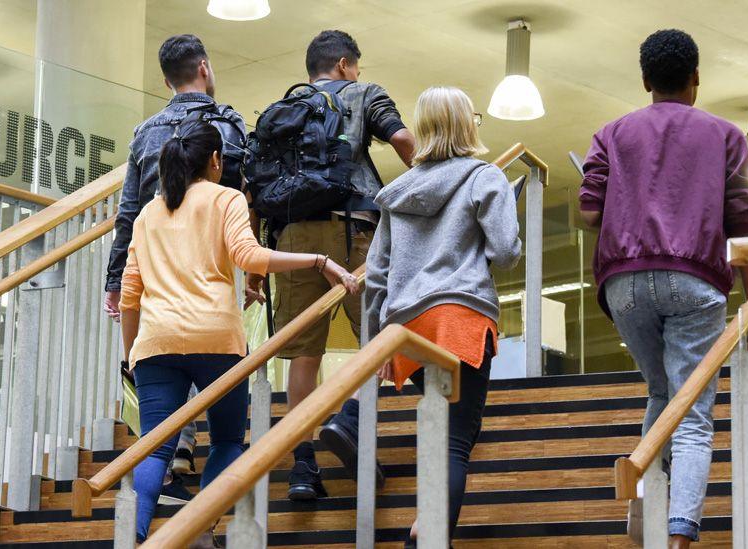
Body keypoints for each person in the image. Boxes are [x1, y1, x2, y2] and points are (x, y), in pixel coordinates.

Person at [120, 119, 358, 546]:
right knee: (227, 440)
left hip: (156, 342)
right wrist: (319, 261)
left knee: (154, 447)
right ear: (215, 160)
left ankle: (132, 538)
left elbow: (129, 298)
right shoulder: (226, 198)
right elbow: (249, 255)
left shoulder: (147, 215)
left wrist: (132, 357)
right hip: (216, 339)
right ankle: (199, 528)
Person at [579, 29, 748, 548]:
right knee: (694, 413)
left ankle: (642, 513)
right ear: (696, 78)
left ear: (645, 80)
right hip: (695, 279)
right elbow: (742, 225)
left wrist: (622, 198)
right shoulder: (726, 136)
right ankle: (678, 537)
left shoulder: (612, 133)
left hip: (625, 282)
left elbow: (589, 210)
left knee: (663, 392)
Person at [330, 87, 519, 546]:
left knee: (440, 433)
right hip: (460, 319)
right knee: (455, 441)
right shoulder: (484, 178)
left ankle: (425, 527)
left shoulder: (396, 192)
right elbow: (508, 252)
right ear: (465, 124)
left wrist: (375, 345)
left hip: (407, 329)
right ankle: (426, 537)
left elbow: (376, 275)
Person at [246, 29, 416, 501]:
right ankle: (350, 420)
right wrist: (438, 175)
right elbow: (401, 139)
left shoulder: (281, 111)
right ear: (344, 64)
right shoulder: (365, 94)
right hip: (354, 235)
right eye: (355, 66)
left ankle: (302, 465)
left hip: (293, 240)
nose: (356, 73)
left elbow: (256, 189)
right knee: (379, 341)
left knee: (304, 356)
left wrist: (256, 268)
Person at [106, 33, 246, 500]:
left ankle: (171, 460)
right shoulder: (225, 124)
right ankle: (188, 472)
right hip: (210, 267)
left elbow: (128, 210)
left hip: (152, 268)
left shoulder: (145, 132)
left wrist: (114, 281)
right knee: (219, 390)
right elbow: (248, 191)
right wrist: (258, 271)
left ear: (166, 80)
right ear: (204, 68)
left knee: (161, 380)